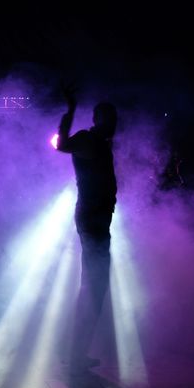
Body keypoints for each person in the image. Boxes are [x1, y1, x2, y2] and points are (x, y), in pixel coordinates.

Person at [56, 84, 118, 372]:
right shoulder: (88, 139)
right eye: (108, 118)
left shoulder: (101, 143)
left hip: (97, 220)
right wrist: (69, 112)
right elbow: (61, 144)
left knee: (94, 287)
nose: (114, 124)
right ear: (97, 119)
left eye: (115, 119)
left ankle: (75, 353)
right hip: (92, 220)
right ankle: (73, 353)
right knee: (93, 287)